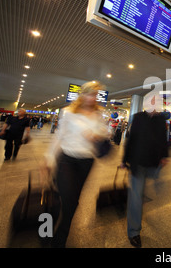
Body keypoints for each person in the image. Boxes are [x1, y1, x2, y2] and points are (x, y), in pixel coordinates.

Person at [43, 81, 110, 248]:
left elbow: (105, 133)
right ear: (82, 94)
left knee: (73, 202)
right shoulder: (69, 112)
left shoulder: (99, 114)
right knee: (66, 197)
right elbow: (59, 136)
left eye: (95, 94)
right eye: (89, 93)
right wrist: (49, 158)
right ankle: (48, 228)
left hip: (87, 161)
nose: (92, 97)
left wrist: (96, 135)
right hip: (67, 158)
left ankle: (59, 240)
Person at [122, 106, 169, 248]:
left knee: (142, 193)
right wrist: (124, 160)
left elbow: (163, 139)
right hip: (138, 162)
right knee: (136, 197)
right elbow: (130, 139)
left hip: (154, 162)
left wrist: (165, 156)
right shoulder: (137, 118)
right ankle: (134, 232)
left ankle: (140, 203)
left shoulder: (161, 119)